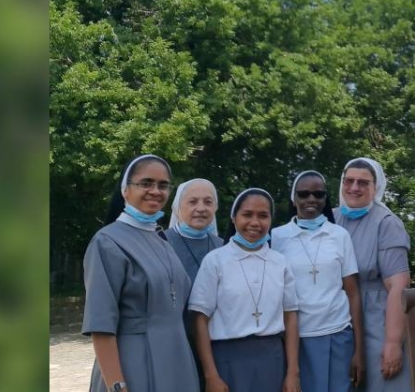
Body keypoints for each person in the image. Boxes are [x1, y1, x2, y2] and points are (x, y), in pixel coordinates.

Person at [83, 154, 199, 392]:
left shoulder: (161, 239)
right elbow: (101, 326)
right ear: (126, 190)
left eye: (163, 185)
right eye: (146, 183)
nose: (155, 191)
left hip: (177, 362)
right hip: (133, 365)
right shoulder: (107, 242)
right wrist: (117, 386)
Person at [189, 189, 300, 392]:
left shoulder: (280, 262)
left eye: (263, 216)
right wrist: (211, 374)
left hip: (272, 359)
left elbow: (290, 317)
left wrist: (292, 372)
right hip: (228, 359)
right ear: (234, 218)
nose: (255, 223)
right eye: (247, 214)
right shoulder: (215, 261)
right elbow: (200, 319)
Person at [272, 170, 366, 392]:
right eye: (304, 194)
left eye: (318, 194)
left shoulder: (339, 235)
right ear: (293, 199)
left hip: (338, 334)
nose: (311, 199)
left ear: (325, 198)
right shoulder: (277, 237)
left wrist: (359, 350)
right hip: (297, 339)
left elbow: (352, 292)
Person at [332, 158, 412, 392]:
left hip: (376, 320)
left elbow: (398, 285)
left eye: (363, 183)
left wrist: (393, 342)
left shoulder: (387, 224)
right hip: (336, 318)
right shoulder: (331, 219)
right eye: (349, 181)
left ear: (375, 188)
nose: (354, 188)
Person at [164, 178, 225, 391]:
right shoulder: (161, 242)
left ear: (215, 207)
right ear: (177, 207)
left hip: (216, 344)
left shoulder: (223, 247)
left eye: (208, 202)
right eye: (193, 202)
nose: (201, 208)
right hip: (175, 343)